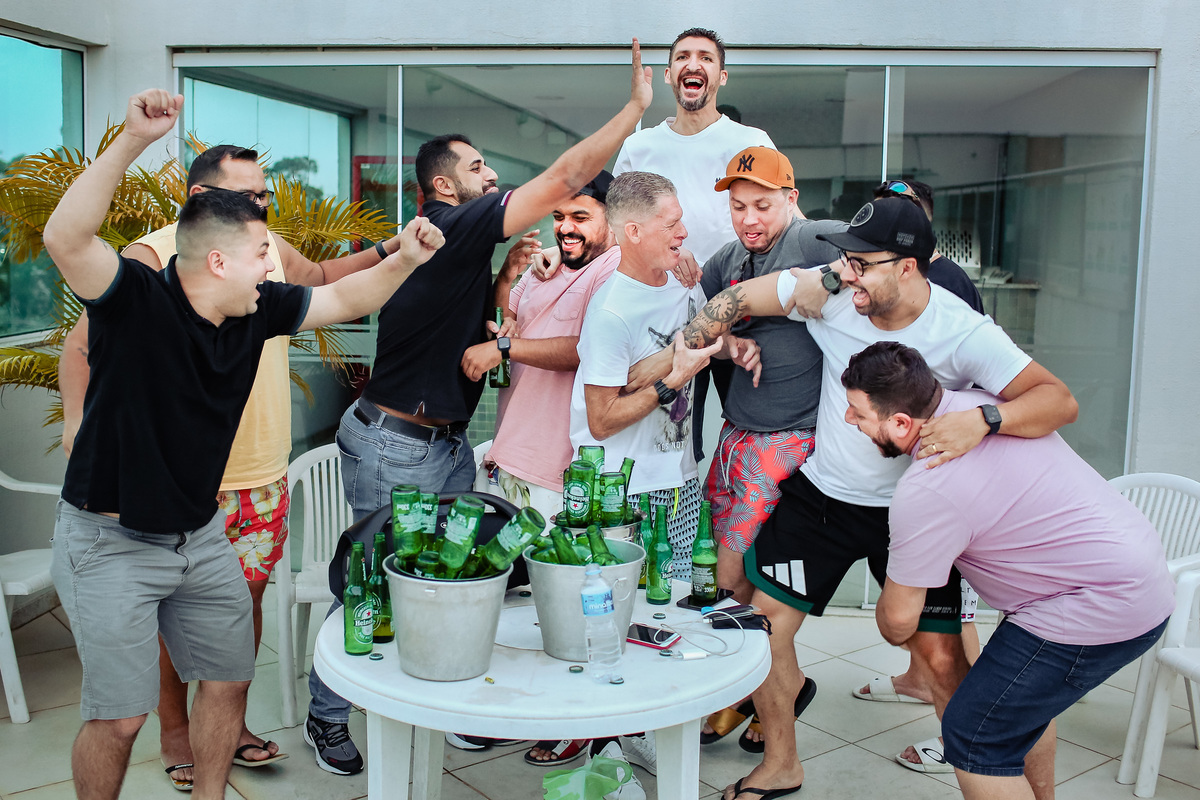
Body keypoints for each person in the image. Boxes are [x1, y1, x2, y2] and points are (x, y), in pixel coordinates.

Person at [44, 89, 443, 800]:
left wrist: (407, 256)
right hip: (109, 539)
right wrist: (134, 138)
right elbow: (66, 239)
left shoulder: (258, 307)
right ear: (220, 263)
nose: (276, 264)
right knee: (120, 718)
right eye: (263, 252)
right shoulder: (135, 298)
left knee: (229, 681)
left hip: (198, 535)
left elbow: (344, 298)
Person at [307, 39, 656, 758]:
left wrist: (501, 291)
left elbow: (453, 330)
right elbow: (564, 176)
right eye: (477, 168)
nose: (491, 176)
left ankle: (445, 703)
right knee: (380, 574)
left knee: (457, 578)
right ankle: (329, 712)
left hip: (443, 444)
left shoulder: (437, 245)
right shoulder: (455, 226)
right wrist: (632, 110)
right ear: (444, 186)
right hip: (396, 442)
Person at [677, 196, 1078, 800]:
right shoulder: (833, 293)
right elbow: (739, 300)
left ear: (908, 268)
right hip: (824, 499)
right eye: (846, 261)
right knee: (762, 630)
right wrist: (703, 342)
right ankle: (782, 762)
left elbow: (1057, 401)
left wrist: (985, 421)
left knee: (942, 662)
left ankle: (982, 768)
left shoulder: (960, 330)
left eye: (863, 263)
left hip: (916, 517)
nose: (847, 272)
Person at [841, 341, 1173, 800]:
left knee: (976, 735)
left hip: (1095, 604)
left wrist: (893, 587)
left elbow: (899, 624)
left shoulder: (926, 491)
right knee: (1017, 713)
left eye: (857, 412)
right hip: (1136, 572)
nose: (848, 421)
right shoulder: (983, 405)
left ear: (900, 423)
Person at [567, 170, 749, 785]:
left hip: (677, 478)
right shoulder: (610, 312)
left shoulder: (678, 282)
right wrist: (671, 379)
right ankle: (604, 746)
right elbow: (601, 417)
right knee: (613, 616)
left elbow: (695, 342)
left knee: (664, 614)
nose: (685, 232)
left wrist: (730, 350)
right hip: (619, 490)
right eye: (672, 225)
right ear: (633, 231)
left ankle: (637, 729)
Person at [851, 178, 986, 762]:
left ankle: (961, 732)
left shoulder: (950, 290)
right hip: (883, 488)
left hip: (942, 487)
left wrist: (975, 423)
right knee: (925, 623)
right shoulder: (850, 287)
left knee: (951, 627)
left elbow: (978, 381)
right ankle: (913, 683)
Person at [613, 26, 774, 462]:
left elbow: (782, 220)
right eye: (683, 56)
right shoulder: (639, 146)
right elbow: (616, 229)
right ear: (668, 74)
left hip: (744, 310)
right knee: (677, 444)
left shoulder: (751, 142)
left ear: (721, 76)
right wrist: (667, 249)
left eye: (706, 57)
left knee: (756, 435)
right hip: (664, 318)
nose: (693, 64)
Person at [462, 171, 620, 527]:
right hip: (508, 453)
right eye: (559, 217)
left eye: (580, 218)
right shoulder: (546, 267)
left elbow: (587, 349)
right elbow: (504, 319)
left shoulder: (614, 267)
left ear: (614, 220)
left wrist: (504, 348)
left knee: (549, 576)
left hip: (556, 469)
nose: (565, 228)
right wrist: (505, 277)